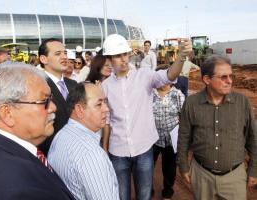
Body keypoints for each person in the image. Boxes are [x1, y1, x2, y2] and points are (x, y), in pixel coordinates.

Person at [0, 63, 75, 200]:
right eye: (44, 101)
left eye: (51, 98)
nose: (53, 107)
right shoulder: (22, 191)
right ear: (7, 113)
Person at [101, 34, 192, 200]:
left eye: (124, 54)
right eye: (117, 56)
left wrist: (181, 57)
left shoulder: (144, 76)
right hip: (118, 151)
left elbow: (169, 76)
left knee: (144, 195)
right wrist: (105, 150)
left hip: (143, 149)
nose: (123, 59)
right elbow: (107, 121)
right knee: (122, 196)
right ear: (109, 59)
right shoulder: (105, 87)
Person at [177, 55, 257, 200]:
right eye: (223, 77)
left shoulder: (242, 102)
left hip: (235, 177)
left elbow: (253, 139)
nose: (230, 81)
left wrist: (253, 169)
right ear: (207, 80)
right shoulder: (191, 103)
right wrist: (183, 166)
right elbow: (183, 137)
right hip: (202, 176)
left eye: (230, 76)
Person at [48, 82, 120, 200]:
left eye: (105, 102)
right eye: (99, 104)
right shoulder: (91, 155)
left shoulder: (61, 135)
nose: (106, 109)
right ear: (79, 110)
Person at [38, 38, 77, 156]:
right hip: (52, 154)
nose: (64, 57)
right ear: (43, 59)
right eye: (58, 54)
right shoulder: (38, 87)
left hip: (77, 151)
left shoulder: (73, 84)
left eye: (65, 53)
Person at [152, 81, 185, 200]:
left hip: (171, 140)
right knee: (147, 167)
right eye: (161, 78)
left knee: (170, 168)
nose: (163, 82)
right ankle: (148, 190)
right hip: (152, 139)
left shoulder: (177, 95)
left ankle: (167, 193)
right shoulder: (150, 94)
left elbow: (184, 116)